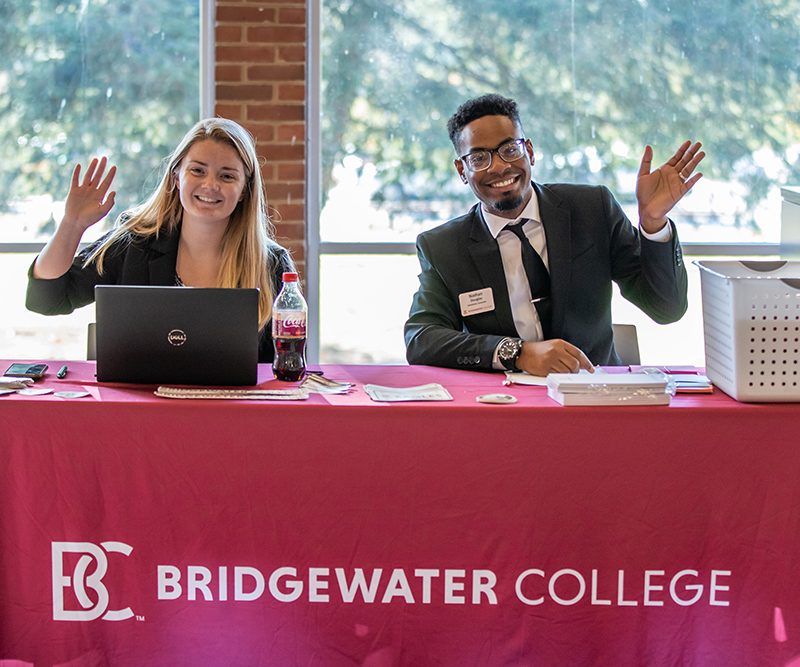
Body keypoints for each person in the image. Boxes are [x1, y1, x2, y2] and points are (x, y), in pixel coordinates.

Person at [404, 93, 704, 376]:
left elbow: (666, 308)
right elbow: (422, 339)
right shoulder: (443, 247)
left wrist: (653, 222)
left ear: (529, 152)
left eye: (510, 150)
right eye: (479, 158)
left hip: (595, 398)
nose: (499, 167)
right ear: (461, 170)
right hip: (503, 407)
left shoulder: (591, 210)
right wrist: (517, 353)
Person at [26, 117, 294, 362]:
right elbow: (48, 299)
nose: (210, 185)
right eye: (198, 171)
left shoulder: (272, 265)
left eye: (227, 176)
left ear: (245, 190)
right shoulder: (134, 243)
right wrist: (72, 224)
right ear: (176, 177)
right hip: (140, 409)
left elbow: (288, 362)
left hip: (236, 411)